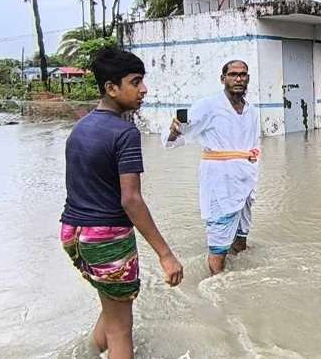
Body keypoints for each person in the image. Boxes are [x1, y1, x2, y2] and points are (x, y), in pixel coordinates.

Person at [59, 46, 184, 359]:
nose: (143, 90)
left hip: (74, 234)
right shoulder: (125, 133)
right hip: (107, 238)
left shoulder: (80, 128)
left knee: (113, 306)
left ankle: (83, 354)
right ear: (111, 88)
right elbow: (131, 200)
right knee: (121, 331)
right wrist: (166, 254)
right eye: (135, 82)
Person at [164, 59, 260, 275]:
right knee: (218, 243)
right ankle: (218, 285)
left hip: (246, 179)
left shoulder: (251, 110)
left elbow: (253, 146)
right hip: (220, 182)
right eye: (233, 74)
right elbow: (180, 136)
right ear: (223, 79)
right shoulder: (208, 106)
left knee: (241, 236)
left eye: (243, 75)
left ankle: (238, 277)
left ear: (248, 79)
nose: (238, 79)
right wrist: (174, 130)